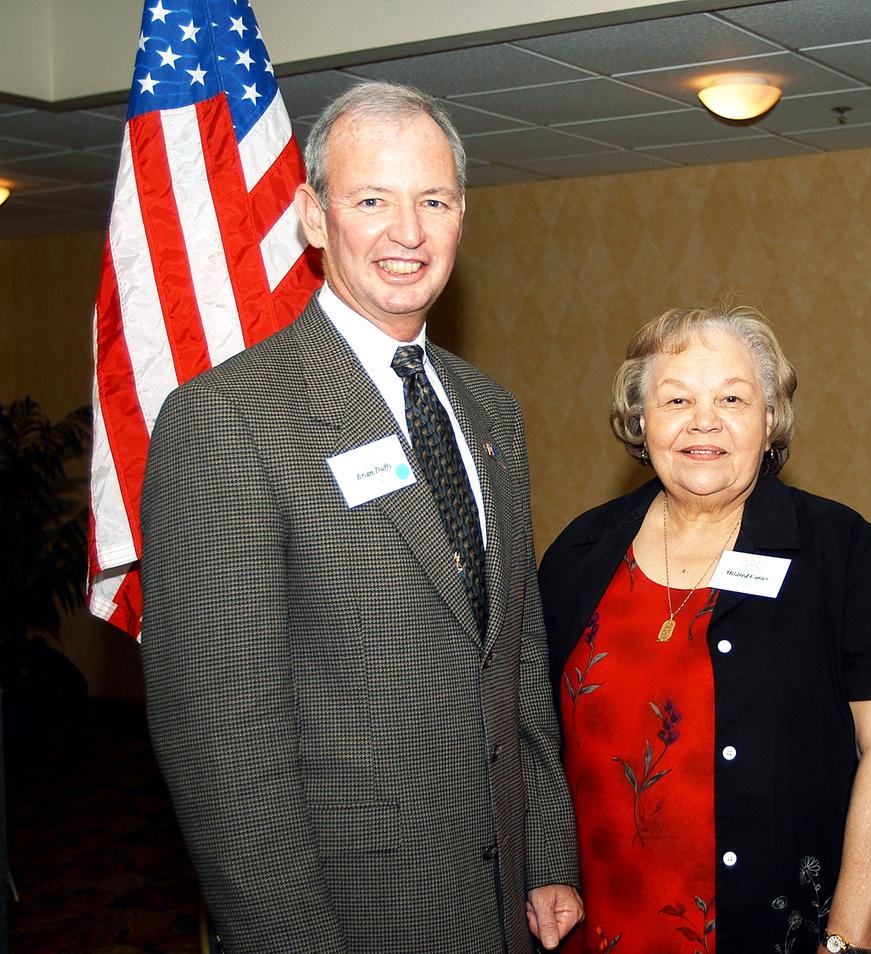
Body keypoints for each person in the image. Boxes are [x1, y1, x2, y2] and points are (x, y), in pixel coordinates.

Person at [140, 81, 581, 953]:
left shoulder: (491, 411)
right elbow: (219, 735)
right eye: (371, 199)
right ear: (312, 216)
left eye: (434, 200)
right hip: (347, 909)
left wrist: (549, 851)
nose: (407, 232)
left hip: (501, 904)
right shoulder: (227, 419)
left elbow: (517, 652)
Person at [538, 304, 871, 954]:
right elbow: (533, 740)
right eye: (676, 399)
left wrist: (847, 941)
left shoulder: (838, 552)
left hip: (781, 934)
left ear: (770, 417)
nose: (704, 421)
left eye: (733, 397)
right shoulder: (581, 553)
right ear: (641, 419)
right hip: (600, 929)